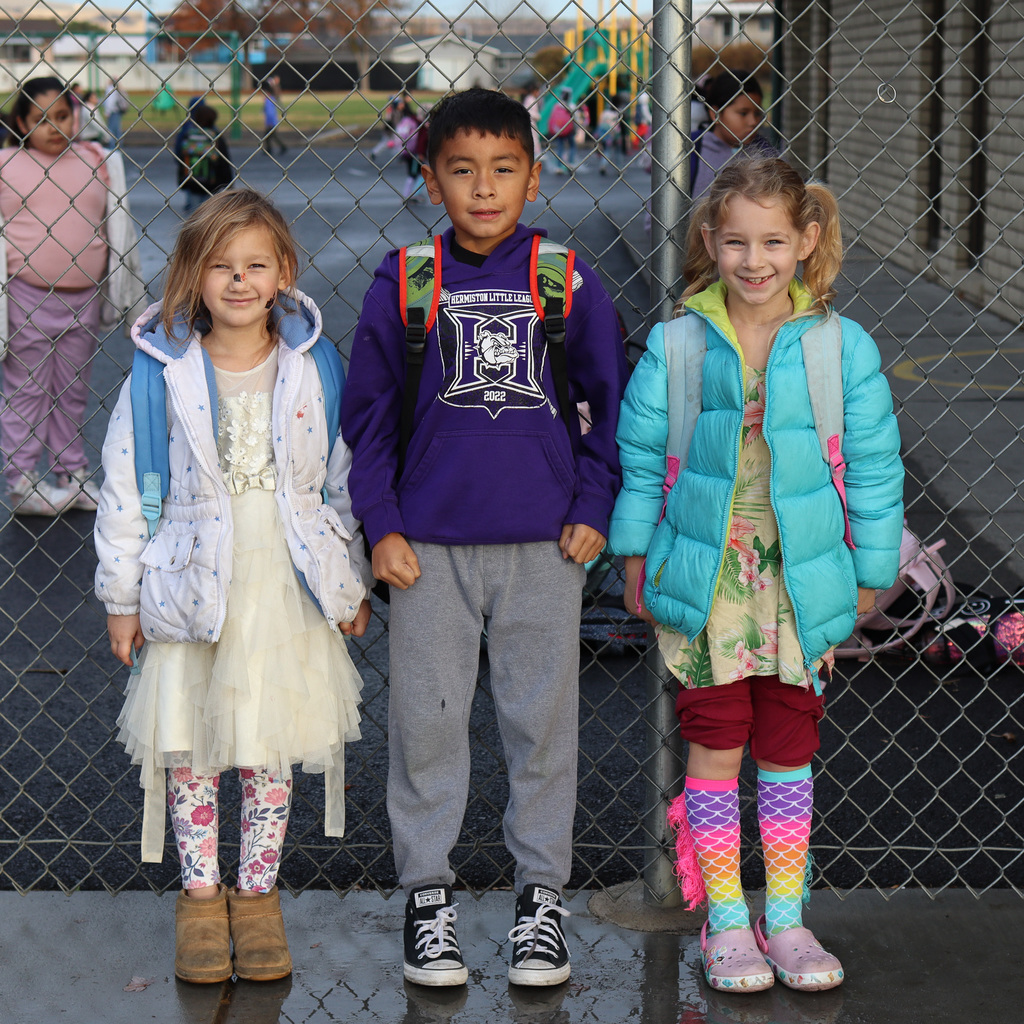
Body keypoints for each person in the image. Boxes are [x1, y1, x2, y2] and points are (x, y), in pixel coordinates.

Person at [341, 88, 629, 988]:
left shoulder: (564, 279)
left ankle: (541, 902)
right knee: (427, 729)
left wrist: (593, 502)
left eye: (504, 169)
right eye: (462, 171)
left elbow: (607, 408)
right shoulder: (407, 280)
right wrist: (380, 526)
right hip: (428, 551)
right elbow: (370, 420)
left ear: (534, 177)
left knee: (539, 729)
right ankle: (429, 898)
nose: (483, 188)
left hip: (544, 546)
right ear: (431, 178)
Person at [609, 158, 904, 995]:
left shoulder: (841, 348)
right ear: (710, 241)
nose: (754, 260)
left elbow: (876, 469)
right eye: (736, 241)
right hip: (708, 574)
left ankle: (787, 917)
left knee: (787, 744)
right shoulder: (679, 344)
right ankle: (728, 924)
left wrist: (871, 568)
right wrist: (636, 555)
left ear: (806, 242)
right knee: (714, 737)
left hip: (801, 577)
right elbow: (641, 456)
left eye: (774, 240)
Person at [94, 189, 372, 984]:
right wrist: (121, 598)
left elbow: (342, 483)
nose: (240, 281)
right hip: (190, 588)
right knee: (191, 747)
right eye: (221, 266)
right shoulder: (160, 375)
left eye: (256, 264)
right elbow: (121, 490)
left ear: (285, 271)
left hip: (283, 589)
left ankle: (256, 898)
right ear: (191, 275)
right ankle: (199, 897)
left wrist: (345, 582)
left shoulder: (313, 366)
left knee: (268, 746)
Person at [0, 76, 145, 515]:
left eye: (62, 116)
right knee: (26, 390)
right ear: (22, 124)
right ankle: (22, 481)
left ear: (76, 114)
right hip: (27, 297)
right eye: (40, 119)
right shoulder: (7, 163)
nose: (54, 127)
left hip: (83, 298)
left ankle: (71, 473)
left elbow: (114, 224)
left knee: (72, 390)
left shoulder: (96, 160)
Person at [691, 69, 778, 198]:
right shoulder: (694, 150)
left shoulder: (766, 153)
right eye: (743, 113)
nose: (753, 122)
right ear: (715, 114)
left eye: (757, 113)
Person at [178, 104, 234, 213]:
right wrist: (229, 183)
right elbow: (224, 162)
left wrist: (182, 181)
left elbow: (182, 159)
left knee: (194, 213)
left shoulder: (189, 136)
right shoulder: (215, 137)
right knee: (210, 213)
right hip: (213, 184)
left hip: (193, 182)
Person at [261, 79, 287, 157]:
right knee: (271, 136)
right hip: (271, 121)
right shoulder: (269, 99)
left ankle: (274, 149)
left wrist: (269, 123)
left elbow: (270, 113)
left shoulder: (270, 99)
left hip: (271, 122)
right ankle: (274, 148)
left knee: (268, 136)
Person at [102, 77, 129, 144]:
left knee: (111, 130)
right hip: (117, 111)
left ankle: (113, 146)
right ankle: (118, 145)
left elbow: (110, 102)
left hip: (112, 111)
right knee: (117, 129)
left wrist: (107, 112)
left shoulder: (110, 89)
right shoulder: (118, 89)